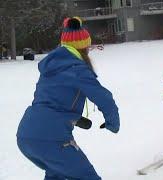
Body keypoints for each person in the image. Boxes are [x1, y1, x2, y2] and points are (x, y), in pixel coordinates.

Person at [16, 17, 120, 180]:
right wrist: (113, 123)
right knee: (87, 177)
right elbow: (104, 98)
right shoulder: (77, 69)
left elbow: (52, 101)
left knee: (56, 172)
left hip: (26, 135)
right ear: (83, 48)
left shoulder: (52, 67)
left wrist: (76, 118)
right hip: (51, 138)